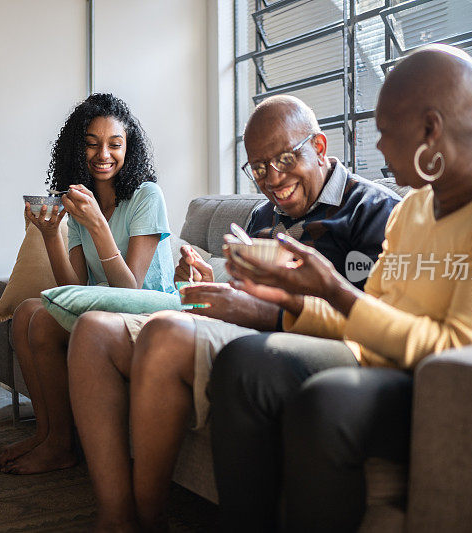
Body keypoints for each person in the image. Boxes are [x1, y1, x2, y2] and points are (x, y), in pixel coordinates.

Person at [209, 44, 472, 531]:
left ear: (430, 131)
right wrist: (292, 298)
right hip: (389, 365)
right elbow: (368, 317)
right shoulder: (414, 208)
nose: (377, 149)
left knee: (329, 401)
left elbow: (460, 356)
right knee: (246, 361)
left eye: (385, 134)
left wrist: (335, 290)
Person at [67, 95, 400, 530]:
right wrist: (213, 282)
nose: (272, 178)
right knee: (93, 331)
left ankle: (149, 520)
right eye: (259, 168)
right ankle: (116, 515)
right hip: (246, 328)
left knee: (166, 332)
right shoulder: (266, 212)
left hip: (302, 343)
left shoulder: (373, 210)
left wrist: (254, 307)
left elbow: (363, 317)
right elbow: (252, 294)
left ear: (319, 147)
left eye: (283, 159)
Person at [0, 93, 174, 475]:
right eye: (92, 144)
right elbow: (71, 288)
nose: (103, 154)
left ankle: (59, 445)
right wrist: (49, 234)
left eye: (114, 144)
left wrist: (98, 225)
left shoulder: (146, 196)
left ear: (129, 148)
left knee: (39, 317)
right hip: (108, 307)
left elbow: (132, 290)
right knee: (30, 310)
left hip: (153, 309)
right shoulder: (80, 201)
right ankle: (48, 435)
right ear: (78, 149)